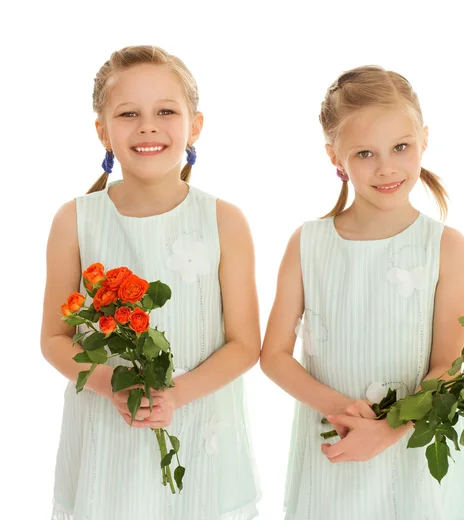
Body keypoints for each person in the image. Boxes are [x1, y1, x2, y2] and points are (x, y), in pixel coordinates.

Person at [40, 45, 261, 520]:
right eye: (128, 113)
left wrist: (176, 395)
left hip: (201, 431)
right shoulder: (74, 220)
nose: (147, 126)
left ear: (194, 125)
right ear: (103, 131)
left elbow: (245, 344)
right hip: (105, 433)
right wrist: (110, 385)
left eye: (166, 110)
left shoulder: (225, 220)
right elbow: (55, 339)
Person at [260, 66, 464, 519]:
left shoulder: (445, 247)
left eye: (400, 146)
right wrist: (343, 410)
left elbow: (447, 365)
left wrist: (388, 429)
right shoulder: (308, 243)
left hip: (414, 452)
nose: (386, 167)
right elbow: (274, 355)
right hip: (335, 447)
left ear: (423, 139)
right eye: (364, 153)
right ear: (335, 158)